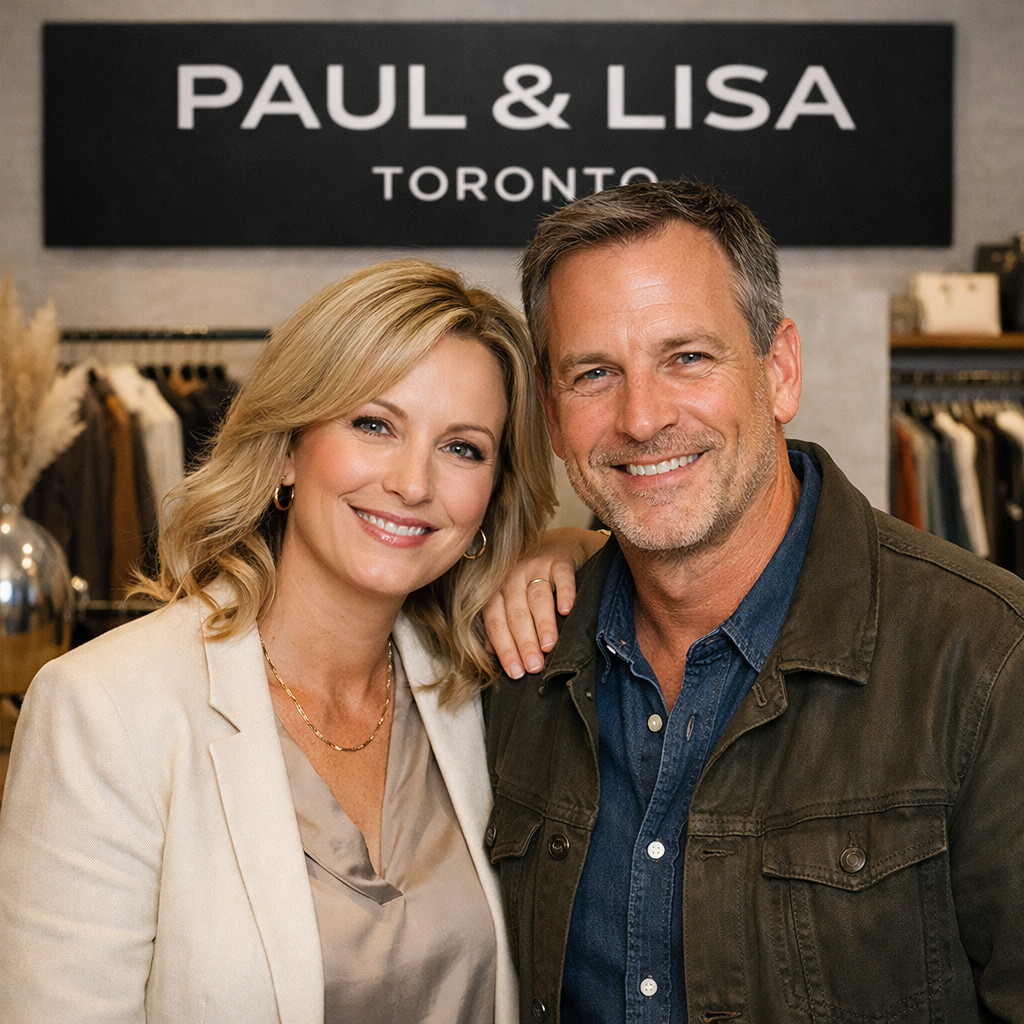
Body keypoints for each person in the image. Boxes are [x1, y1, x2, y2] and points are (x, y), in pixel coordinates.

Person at [483, 180, 1024, 1023]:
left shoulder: (986, 658)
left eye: (687, 358)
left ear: (779, 371)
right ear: (552, 420)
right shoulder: (514, 661)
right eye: (594, 374)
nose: (641, 418)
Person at [0, 259, 560, 1024]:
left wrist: (569, 548)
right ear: (289, 449)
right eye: (375, 424)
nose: (413, 483)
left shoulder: (486, 688)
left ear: (492, 495)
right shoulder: (104, 709)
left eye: (462, 447)